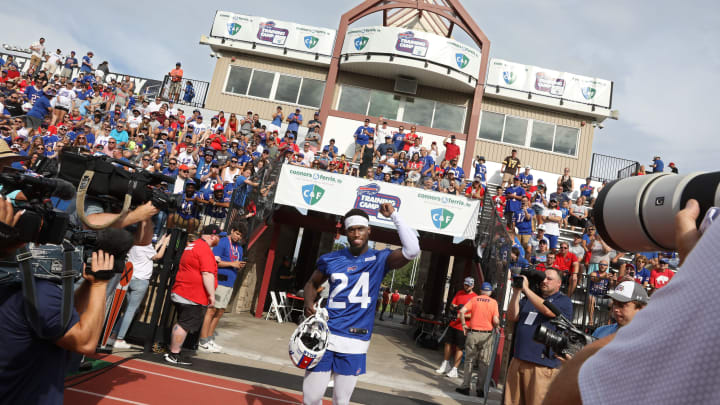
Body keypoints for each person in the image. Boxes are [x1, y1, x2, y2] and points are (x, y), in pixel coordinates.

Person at [541, 199, 708, 405]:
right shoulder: (601, 333)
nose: (616, 308)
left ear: (641, 308)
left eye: (623, 304)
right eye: (615, 303)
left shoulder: (653, 343)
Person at [302, 205, 419, 405]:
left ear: (369, 230)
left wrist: (394, 216)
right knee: (311, 398)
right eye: (351, 229)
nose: (356, 233)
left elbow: (413, 250)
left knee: (341, 401)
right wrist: (308, 303)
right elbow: (312, 283)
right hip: (326, 335)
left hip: (355, 340)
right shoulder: (331, 258)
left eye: (360, 229)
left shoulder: (380, 258)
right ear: (346, 232)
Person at [505, 268, 572, 405]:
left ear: (559, 283)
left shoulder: (564, 301)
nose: (544, 281)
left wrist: (527, 290)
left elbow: (548, 310)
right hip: (518, 360)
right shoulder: (530, 298)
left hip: (542, 366)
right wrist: (517, 292)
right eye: (543, 278)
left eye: (549, 279)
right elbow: (512, 316)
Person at [165, 224, 222, 366]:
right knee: (184, 324)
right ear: (213, 236)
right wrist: (211, 295)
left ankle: (174, 351)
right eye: (219, 237)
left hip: (182, 289)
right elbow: (207, 274)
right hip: (191, 294)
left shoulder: (193, 245)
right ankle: (174, 353)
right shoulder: (204, 250)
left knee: (182, 322)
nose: (219, 240)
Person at [112, 228, 171, 349]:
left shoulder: (133, 244)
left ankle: (113, 335)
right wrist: (165, 243)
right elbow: (158, 256)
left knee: (128, 310)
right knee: (131, 310)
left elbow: (149, 254)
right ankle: (119, 338)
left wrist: (160, 242)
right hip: (140, 281)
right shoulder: (146, 246)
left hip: (129, 278)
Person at [199, 223, 247, 353]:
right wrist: (232, 263)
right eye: (237, 233)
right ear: (232, 231)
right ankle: (202, 340)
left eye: (240, 236)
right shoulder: (223, 242)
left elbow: (235, 262)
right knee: (211, 310)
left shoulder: (240, 248)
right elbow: (214, 261)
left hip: (230, 283)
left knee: (220, 312)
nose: (238, 237)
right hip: (220, 281)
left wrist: (238, 265)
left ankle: (209, 339)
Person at [456, 282, 500, 397]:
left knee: (469, 360)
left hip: (473, 333)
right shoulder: (494, 302)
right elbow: (495, 320)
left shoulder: (475, 299)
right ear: (490, 292)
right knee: (484, 363)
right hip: (487, 336)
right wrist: (497, 325)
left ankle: (466, 387)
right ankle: (480, 390)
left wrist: (464, 324)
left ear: (481, 291)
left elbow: (461, 311)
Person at [435, 277, 477, 378]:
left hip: (463, 326)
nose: (466, 286)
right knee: (447, 343)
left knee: (459, 347)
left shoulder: (475, 297)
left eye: (468, 285)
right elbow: (451, 305)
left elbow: (473, 314)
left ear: (472, 285)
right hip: (453, 323)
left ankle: (455, 369)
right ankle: (445, 364)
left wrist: (461, 315)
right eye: (465, 284)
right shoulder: (459, 293)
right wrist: (453, 307)